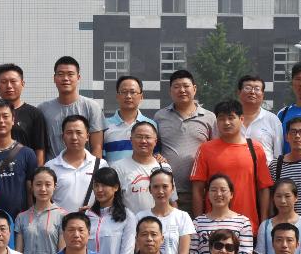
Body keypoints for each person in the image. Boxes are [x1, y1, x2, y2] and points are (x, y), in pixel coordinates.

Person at [190, 100, 274, 230]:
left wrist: (264, 223)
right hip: (213, 227)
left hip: (248, 227)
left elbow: (263, 188)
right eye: (221, 119)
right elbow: (197, 189)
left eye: (231, 118)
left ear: (241, 119)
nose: (226, 122)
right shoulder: (205, 149)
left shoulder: (255, 148)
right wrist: (199, 223)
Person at [153, 69, 216, 214]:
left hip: (200, 191)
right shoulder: (160, 116)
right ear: (170, 91)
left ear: (194, 88)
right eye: (176, 87)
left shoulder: (209, 117)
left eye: (186, 86)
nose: (182, 90)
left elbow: (215, 151)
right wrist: (156, 156)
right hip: (167, 192)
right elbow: (154, 148)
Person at [38, 56, 105, 158]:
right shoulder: (43, 109)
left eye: (70, 74)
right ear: (54, 78)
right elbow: (40, 147)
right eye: (61, 74)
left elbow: (97, 147)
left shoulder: (91, 107)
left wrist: (95, 168)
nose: (65, 78)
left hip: (84, 166)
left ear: (78, 77)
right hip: (52, 166)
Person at [189, 175, 253, 254]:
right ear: (208, 194)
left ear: (231, 194)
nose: (218, 194)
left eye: (223, 190)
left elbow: (244, 253)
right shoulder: (197, 222)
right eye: (213, 190)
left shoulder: (243, 222)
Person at [0, 63, 48, 165]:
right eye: (4, 82)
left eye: (13, 81)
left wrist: (37, 173)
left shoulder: (35, 114)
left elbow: (40, 150)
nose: (9, 86)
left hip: (24, 170)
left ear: (22, 83)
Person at [46, 115, 108, 212]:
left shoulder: (101, 165)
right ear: (63, 137)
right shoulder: (50, 166)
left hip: (91, 220)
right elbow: (45, 198)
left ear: (87, 137)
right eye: (69, 133)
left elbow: (108, 196)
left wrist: (95, 210)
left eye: (79, 133)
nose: (74, 137)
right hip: (59, 220)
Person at [134, 168, 194, 254]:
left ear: (172, 189)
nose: (160, 191)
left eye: (165, 186)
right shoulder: (140, 217)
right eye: (156, 187)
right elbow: (138, 251)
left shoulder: (183, 217)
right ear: (150, 189)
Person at [111, 122, 171, 214]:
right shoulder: (117, 168)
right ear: (131, 140)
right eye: (139, 137)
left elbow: (172, 201)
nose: (143, 141)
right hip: (130, 222)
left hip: (159, 222)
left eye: (148, 137)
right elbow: (112, 202)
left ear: (155, 141)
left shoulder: (164, 167)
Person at [253, 179, 301, 254]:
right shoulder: (265, 226)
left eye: (287, 196)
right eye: (278, 196)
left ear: (296, 197)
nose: (283, 201)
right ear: (273, 198)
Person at [86, 167, 136, 254]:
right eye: (96, 185)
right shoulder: (86, 216)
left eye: (104, 185)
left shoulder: (127, 216)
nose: (99, 190)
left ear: (116, 187)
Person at [103, 76, 157, 163]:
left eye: (133, 92)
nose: (128, 96)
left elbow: (156, 154)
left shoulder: (151, 125)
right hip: (113, 171)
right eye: (124, 92)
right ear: (117, 96)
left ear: (141, 96)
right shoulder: (104, 125)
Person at [238, 75, 283, 163]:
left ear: (263, 94)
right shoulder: (230, 120)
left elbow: (278, 154)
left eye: (257, 89)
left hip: (265, 170)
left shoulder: (273, 120)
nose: (252, 92)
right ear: (239, 92)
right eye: (248, 88)